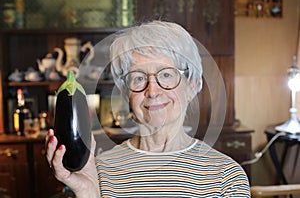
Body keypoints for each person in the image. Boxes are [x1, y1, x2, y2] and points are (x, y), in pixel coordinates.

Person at [46, 20, 250, 197]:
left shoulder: (226, 176)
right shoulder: (100, 171)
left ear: (192, 85)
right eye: (139, 78)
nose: (152, 91)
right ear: (126, 93)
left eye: (166, 75)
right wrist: (87, 193)